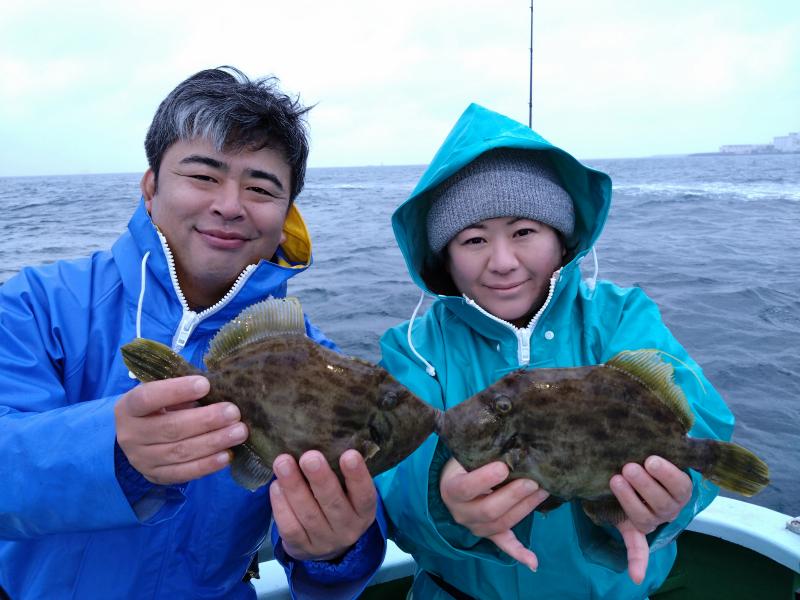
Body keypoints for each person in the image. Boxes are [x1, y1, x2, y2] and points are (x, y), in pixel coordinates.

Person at [0, 67, 385, 599]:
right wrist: (110, 450)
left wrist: (338, 551)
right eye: (203, 176)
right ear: (151, 187)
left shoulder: (314, 360)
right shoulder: (35, 304)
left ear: (286, 214)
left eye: (261, 187)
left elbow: (333, 541)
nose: (229, 204)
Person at [374, 103, 735, 599]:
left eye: (525, 232)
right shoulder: (414, 347)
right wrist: (442, 499)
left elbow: (694, 410)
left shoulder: (618, 317)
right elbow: (390, 470)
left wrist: (678, 489)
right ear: (444, 258)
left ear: (561, 237)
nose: (502, 262)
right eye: (474, 239)